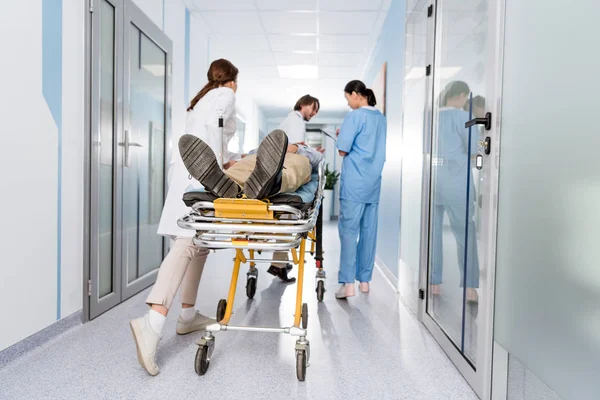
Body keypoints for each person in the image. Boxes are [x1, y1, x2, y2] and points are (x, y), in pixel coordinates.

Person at [129, 59, 240, 376]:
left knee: (198, 243)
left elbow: (209, 134)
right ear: (231, 80)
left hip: (187, 174)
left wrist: (223, 161)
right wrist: (220, 163)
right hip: (199, 176)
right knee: (188, 243)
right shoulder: (224, 95)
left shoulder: (198, 101)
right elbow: (218, 129)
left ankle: (187, 317)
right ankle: (151, 323)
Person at [335, 80, 387, 299]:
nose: (348, 104)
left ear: (356, 94)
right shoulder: (381, 119)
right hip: (373, 184)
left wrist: (340, 137)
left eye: (348, 98)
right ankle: (364, 281)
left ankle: (348, 284)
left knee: (349, 231)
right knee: (369, 231)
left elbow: (343, 150)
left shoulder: (354, 117)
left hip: (355, 184)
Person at [431, 81, 480, 302]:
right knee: (465, 234)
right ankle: (469, 287)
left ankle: (434, 283)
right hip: (457, 181)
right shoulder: (464, 118)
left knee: (433, 233)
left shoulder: (431, 118)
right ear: (461, 96)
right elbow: (474, 150)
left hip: (433, 181)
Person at [179, 129, 323, 203]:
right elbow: (249, 155)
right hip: (258, 158)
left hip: (294, 160)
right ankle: (222, 181)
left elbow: (319, 159)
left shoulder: (306, 152)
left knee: (289, 172)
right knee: (242, 168)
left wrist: (297, 148)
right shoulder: (265, 149)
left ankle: (272, 181)